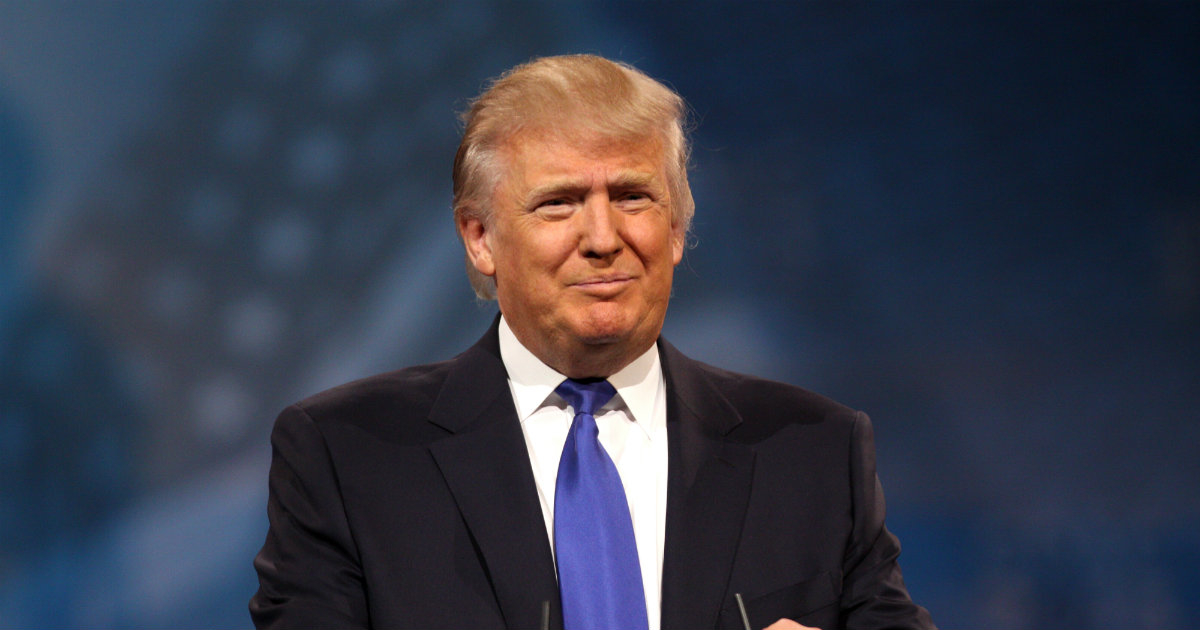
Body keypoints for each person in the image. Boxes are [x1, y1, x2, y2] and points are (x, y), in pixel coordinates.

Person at [250, 54, 934, 630]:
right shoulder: (348, 455)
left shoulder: (812, 448)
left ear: (676, 231)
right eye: (559, 203)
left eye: (634, 197)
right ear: (480, 238)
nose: (604, 238)